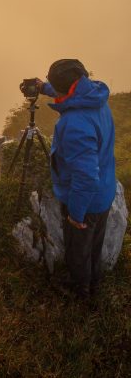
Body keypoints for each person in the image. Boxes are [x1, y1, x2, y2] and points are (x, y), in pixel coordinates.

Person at [37, 59, 116, 298]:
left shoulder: (75, 124)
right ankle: (94, 283)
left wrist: (76, 215)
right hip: (104, 192)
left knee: (78, 249)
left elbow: (85, 177)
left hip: (86, 201)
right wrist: (45, 89)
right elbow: (73, 94)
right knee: (94, 245)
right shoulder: (96, 97)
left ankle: (79, 290)